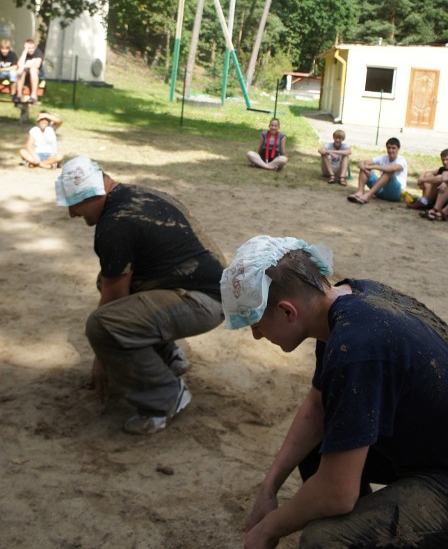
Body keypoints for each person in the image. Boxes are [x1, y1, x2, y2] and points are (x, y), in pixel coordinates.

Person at [220, 235, 448, 549]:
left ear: (287, 312)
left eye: (256, 324)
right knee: (318, 449)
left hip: (440, 472)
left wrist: (267, 530)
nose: (257, 336)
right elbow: (317, 406)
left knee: (324, 540)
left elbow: (337, 493)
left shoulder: (355, 347)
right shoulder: (344, 304)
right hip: (429, 446)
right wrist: (268, 488)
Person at [55, 156, 225, 435]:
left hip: (203, 301)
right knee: (107, 279)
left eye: (73, 204)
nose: (72, 213)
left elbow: (115, 300)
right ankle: (169, 356)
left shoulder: (114, 224)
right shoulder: (138, 193)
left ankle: (165, 398)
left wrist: (102, 357)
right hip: (212, 287)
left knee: (101, 325)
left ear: (93, 195)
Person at [347, 136, 407, 205]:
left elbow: (393, 168)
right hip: (381, 191)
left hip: (395, 193)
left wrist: (374, 166)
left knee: (389, 172)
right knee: (366, 168)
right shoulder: (383, 158)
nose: (390, 150)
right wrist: (364, 168)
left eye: (393, 148)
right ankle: (360, 192)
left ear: (398, 149)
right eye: (389, 148)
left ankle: (367, 196)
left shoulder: (401, 160)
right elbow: (361, 163)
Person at [15, 38, 45, 104]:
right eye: (29, 48)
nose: (31, 50)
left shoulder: (38, 52)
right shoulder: (25, 53)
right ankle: (19, 95)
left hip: (37, 75)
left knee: (33, 70)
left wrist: (24, 66)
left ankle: (33, 96)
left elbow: (37, 65)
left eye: (32, 48)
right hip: (26, 76)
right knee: (21, 71)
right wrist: (25, 51)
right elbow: (19, 64)